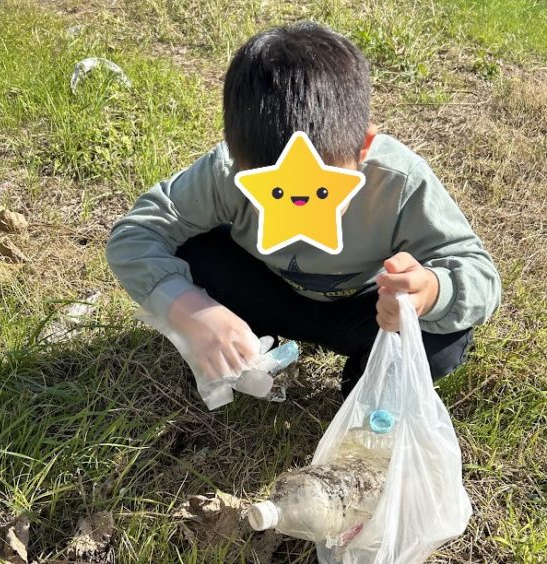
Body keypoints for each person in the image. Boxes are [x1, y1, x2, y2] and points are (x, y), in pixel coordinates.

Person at [106, 21, 500, 402]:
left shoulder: (399, 182)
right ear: (237, 158)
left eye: (322, 192)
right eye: (274, 192)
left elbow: (479, 274)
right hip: (266, 293)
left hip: (367, 309)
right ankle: (242, 345)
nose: (300, 209)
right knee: (192, 248)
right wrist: (193, 312)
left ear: (363, 148)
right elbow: (137, 234)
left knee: (444, 337)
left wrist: (429, 291)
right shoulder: (227, 172)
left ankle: (367, 387)